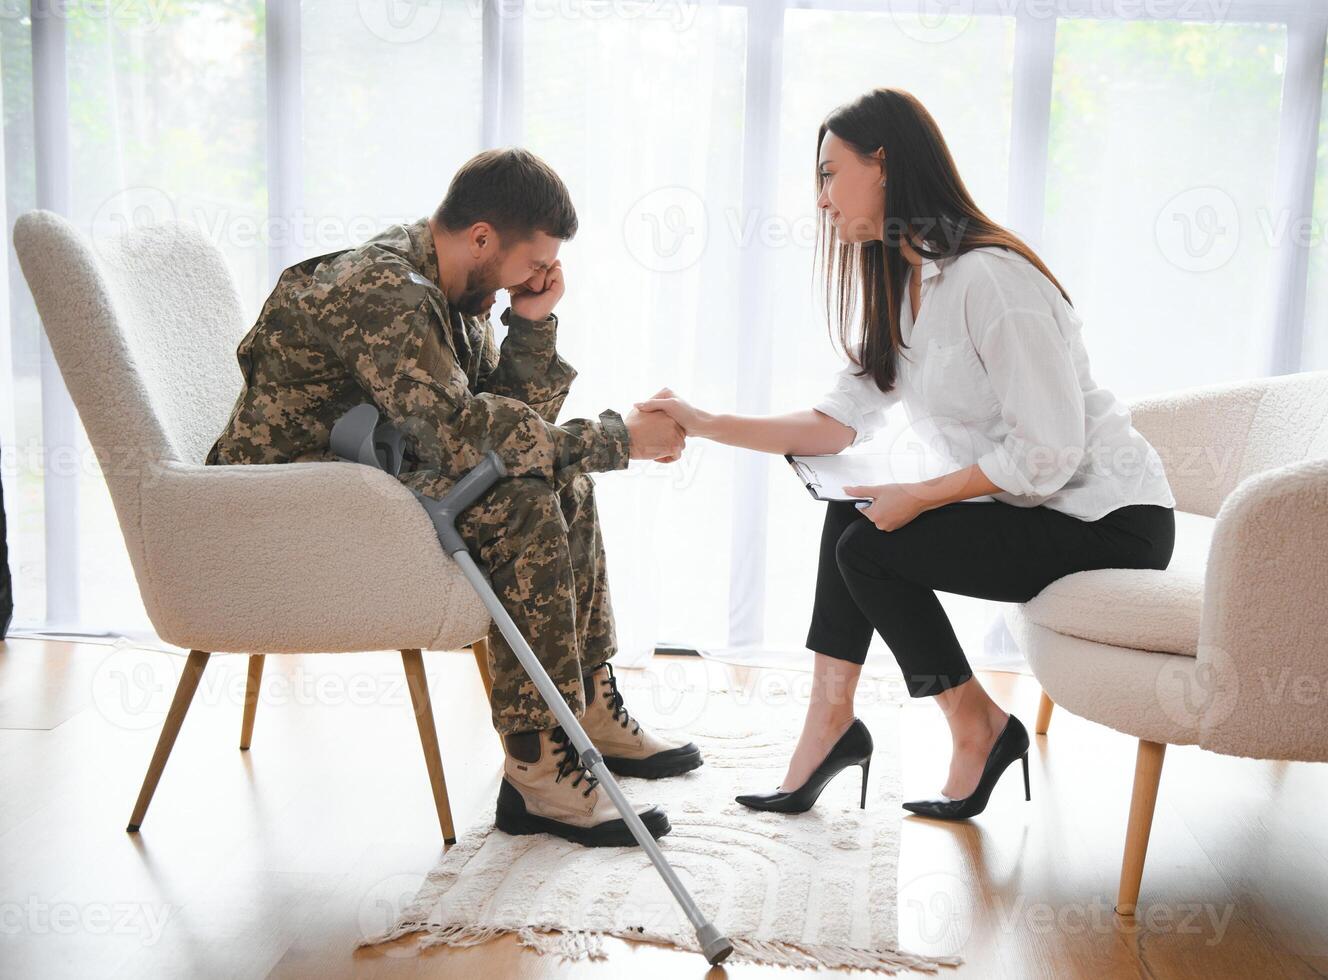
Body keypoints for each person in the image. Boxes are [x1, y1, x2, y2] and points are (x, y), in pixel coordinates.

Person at [634, 88, 1177, 821]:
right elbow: (833, 424)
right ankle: (829, 725)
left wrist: (921, 494)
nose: (820, 197)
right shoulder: (907, 281)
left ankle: (975, 726)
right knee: (849, 515)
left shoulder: (991, 279)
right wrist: (702, 422)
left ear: (882, 164)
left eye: (830, 173)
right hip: (1042, 508)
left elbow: (1049, 451)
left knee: (869, 548)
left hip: (1105, 520)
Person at [207, 148, 701, 847]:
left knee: (564, 480)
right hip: (292, 510)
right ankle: (538, 778)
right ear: (480, 239)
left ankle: (581, 713)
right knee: (524, 503)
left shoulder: (455, 291)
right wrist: (620, 440)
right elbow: (471, 437)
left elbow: (500, 419)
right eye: (533, 265)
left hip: (365, 479)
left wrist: (530, 322)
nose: (541, 277)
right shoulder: (382, 292)